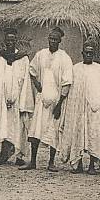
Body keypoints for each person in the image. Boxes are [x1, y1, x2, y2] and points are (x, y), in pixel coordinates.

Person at [21, 27, 73, 172]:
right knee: (36, 130)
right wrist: (36, 83)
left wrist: (60, 104)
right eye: (50, 38)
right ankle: (33, 161)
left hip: (56, 101)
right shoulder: (41, 54)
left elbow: (67, 82)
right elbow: (32, 70)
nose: (52, 41)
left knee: (53, 132)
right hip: (41, 100)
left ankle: (51, 162)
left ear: (60, 41)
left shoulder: (64, 58)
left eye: (55, 39)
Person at [60, 41, 100, 174]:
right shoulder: (75, 69)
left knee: (94, 136)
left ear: (93, 54)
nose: (88, 55)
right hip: (78, 109)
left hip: (94, 109)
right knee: (77, 134)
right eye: (86, 53)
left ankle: (92, 165)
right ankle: (77, 164)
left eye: (91, 53)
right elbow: (70, 90)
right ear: (82, 54)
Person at [0, 29, 34, 166]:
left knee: (18, 128)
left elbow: (25, 81)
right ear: (4, 42)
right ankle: (3, 155)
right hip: (2, 100)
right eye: (7, 41)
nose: (10, 43)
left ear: (16, 41)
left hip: (18, 100)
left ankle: (19, 156)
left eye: (12, 40)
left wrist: (24, 101)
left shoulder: (23, 59)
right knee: (4, 127)